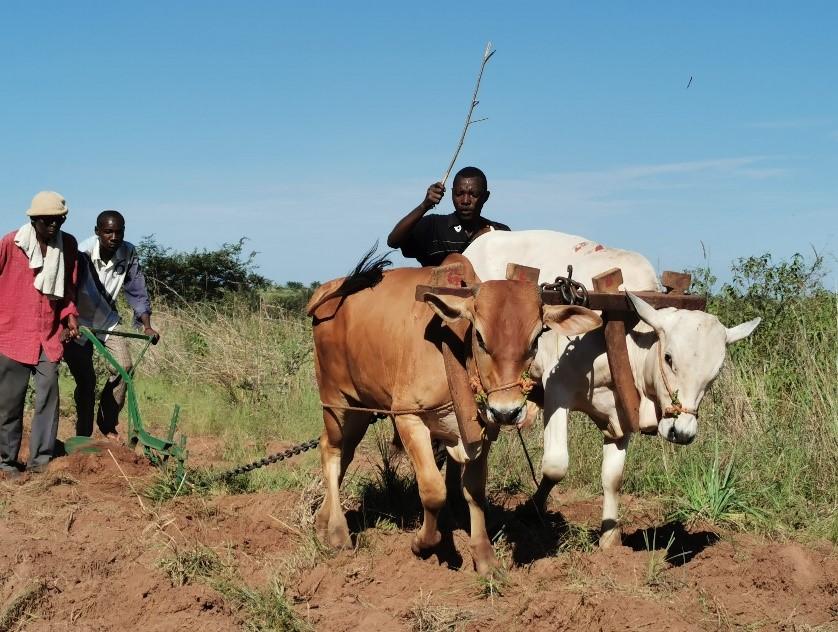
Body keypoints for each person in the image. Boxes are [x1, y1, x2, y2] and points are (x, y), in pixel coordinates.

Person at [0, 191, 79, 477]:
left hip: (48, 333)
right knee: (9, 401)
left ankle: (40, 462)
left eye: (59, 220)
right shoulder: (12, 242)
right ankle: (6, 461)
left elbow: (68, 288)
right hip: (11, 332)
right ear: (33, 220)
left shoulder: (68, 245)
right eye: (47, 221)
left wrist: (69, 315)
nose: (53, 226)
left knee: (49, 394)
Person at [63, 210, 159, 439]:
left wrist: (147, 325)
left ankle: (107, 424)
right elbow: (67, 288)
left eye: (119, 232)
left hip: (107, 320)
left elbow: (137, 289)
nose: (114, 237)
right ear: (97, 232)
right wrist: (67, 320)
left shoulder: (128, 251)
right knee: (87, 382)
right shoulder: (81, 253)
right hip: (78, 322)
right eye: (108, 232)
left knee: (124, 367)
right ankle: (83, 436)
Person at [387, 166, 510, 267]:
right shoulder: (433, 226)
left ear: (485, 197)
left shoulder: (499, 232)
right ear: (451, 194)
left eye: (473, 194)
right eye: (459, 193)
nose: (465, 200)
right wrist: (424, 205)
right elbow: (393, 241)